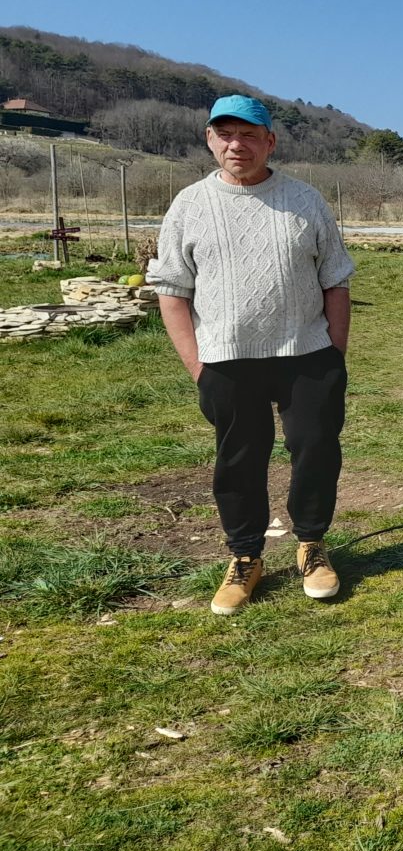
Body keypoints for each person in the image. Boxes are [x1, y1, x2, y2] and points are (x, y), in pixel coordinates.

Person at [149, 95, 354, 616]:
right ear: (210, 140)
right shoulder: (189, 205)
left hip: (306, 353)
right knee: (238, 460)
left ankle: (311, 544)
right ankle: (245, 556)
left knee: (315, 448)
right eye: (226, 134)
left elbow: (335, 281)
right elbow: (172, 291)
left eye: (249, 134)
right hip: (226, 359)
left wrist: (335, 351)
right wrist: (198, 364)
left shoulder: (305, 201)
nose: (237, 145)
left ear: (270, 141)